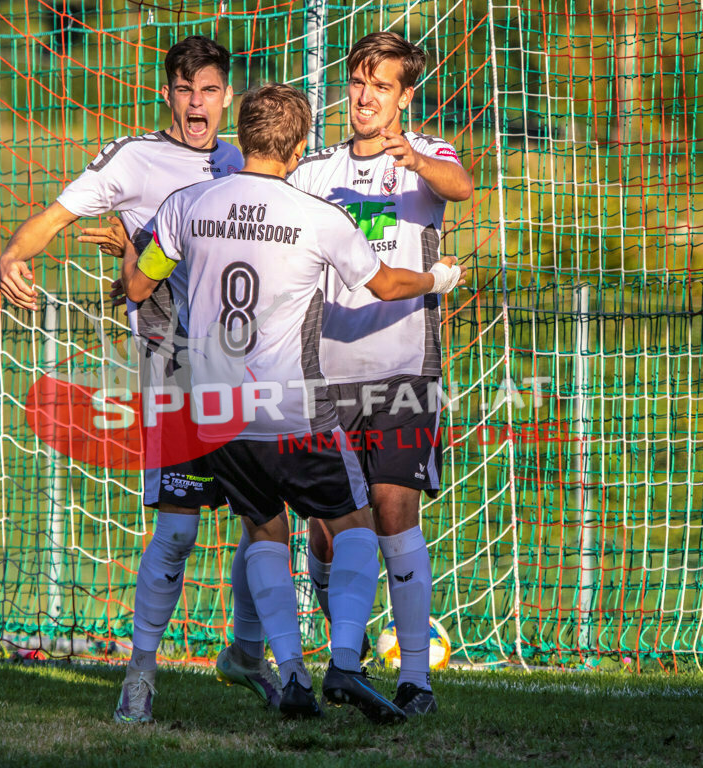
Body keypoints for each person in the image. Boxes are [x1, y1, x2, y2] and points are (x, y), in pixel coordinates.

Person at [122, 82, 465, 722]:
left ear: (243, 136)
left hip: (214, 413)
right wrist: (437, 277)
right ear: (300, 146)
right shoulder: (316, 215)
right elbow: (387, 285)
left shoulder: (187, 203)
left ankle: (292, 674)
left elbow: (140, 284)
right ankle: (345, 662)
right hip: (291, 408)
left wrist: (136, 256)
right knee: (354, 524)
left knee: (263, 528)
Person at [0, 36, 280, 725]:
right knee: (177, 532)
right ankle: (140, 676)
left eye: (209, 90)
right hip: (172, 367)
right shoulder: (133, 158)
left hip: (249, 367)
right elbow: (57, 216)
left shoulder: (245, 161)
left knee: (265, 524)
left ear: (227, 96)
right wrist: (11, 254)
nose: (196, 104)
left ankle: (247, 654)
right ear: (166, 94)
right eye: (184, 90)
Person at [286, 31, 474, 717]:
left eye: (382, 86)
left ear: (404, 96)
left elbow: (463, 187)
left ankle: (416, 680)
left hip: (404, 370)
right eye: (359, 82)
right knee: (328, 531)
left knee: (395, 515)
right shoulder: (314, 171)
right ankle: (349, 652)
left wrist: (414, 158)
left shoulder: (428, 156)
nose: (366, 97)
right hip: (324, 374)